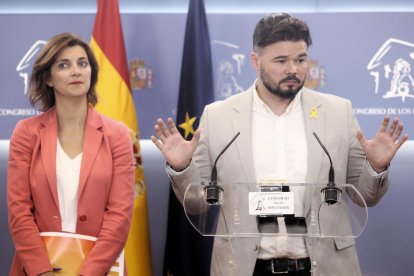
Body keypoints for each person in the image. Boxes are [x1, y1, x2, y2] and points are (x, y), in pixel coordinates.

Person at [151, 13, 408, 276]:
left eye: (300, 59)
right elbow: (198, 203)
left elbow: (365, 195)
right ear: (255, 60)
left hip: (322, 267)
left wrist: (376, 167)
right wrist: (183, 168)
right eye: (281, 61)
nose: (293, 70)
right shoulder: (218, 117)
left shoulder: (338, 112)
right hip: (244, 267)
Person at [7, 32, 135, 276]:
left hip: (101, 269)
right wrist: (41, 271)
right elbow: (18, 211)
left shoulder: (117, 134)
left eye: (82, 63)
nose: (76, 71)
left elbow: (119, 217)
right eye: (64, 65)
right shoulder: (26, 133)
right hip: (37, 269)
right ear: (49, 79)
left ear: (91, 73)